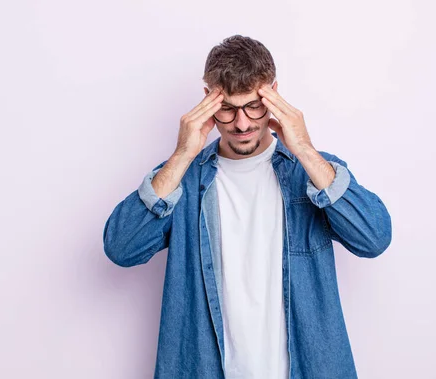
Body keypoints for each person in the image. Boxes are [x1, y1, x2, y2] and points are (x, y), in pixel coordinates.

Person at [103, 34, 392, 379]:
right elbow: (121, 248)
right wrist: (182, 154)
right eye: (227, 108)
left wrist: (305, 150)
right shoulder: (181, 179)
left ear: (274, 94)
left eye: (254, 105)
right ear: (207, 100)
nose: (242, 124)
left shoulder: (313, 172)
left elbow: (374, 238)